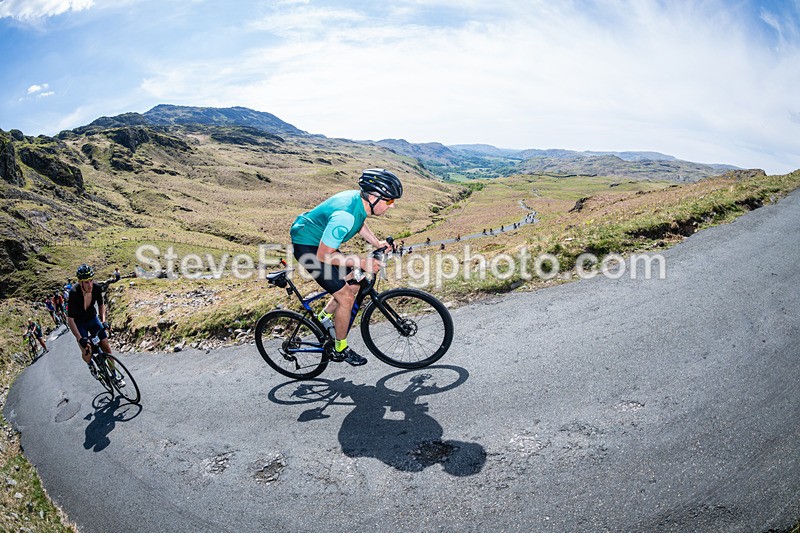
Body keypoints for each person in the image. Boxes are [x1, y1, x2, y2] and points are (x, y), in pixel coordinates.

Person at [290, 168, 402, 366]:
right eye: (390, 201)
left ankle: (324, 316)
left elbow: (360, 222)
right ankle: (340, 348)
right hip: (308, 248)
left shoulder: (359, 202)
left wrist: (377, 243)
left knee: (357, 282)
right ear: (374, 197)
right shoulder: (345, 216)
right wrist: (362, 262)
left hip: (320, 243)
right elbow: (324, 255)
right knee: (346, 296)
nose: (391, 206)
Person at [67, 264, 118, 382]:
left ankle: (115, 376)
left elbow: (101, 305)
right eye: (86, 282)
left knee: (107, 348)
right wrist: (80, 338)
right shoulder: (74, 293)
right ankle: (90, 363)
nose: (89, 285)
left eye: (91, 280)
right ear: (80, 282)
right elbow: (70, 320)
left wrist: (103, 321)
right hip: (80, 323)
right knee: (87, 350)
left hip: (92, 318)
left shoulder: (96, 288)